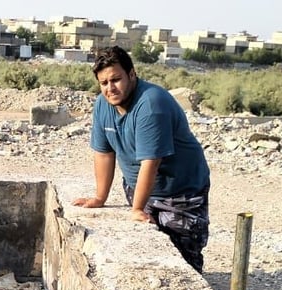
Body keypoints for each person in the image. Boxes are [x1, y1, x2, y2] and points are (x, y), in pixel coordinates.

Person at [73, 46, 211, 273]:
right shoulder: (102, 105)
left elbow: (151, 162)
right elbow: (104, 153)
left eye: (116, 80)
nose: (110, 88)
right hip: (139, 188)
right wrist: (100, 197)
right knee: (149, 259)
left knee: (183, 259)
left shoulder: (151, 104)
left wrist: (137, 208)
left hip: (179, 192)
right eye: (104, 83)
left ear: (132, 74)